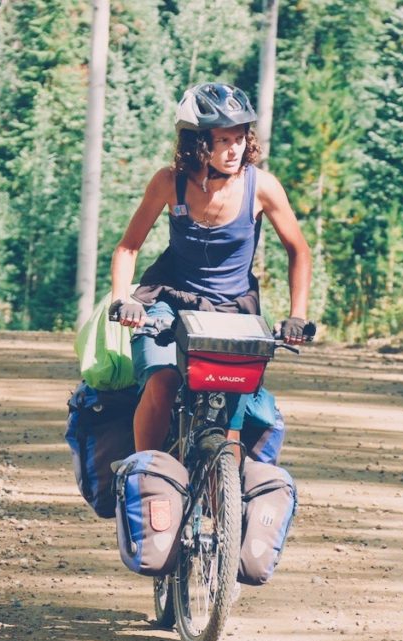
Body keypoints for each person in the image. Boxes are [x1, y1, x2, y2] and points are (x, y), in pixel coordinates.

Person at [107, 82, 312, 454]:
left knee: (232, 416)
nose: (233, 149)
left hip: (233, 309)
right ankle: (145, 474)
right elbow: (128, 247)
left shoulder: (262, 186)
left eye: (238, 137)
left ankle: (225, 499)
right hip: (169, 300)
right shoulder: (169, 183)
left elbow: (298, 250)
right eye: (221, 140)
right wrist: (124, 301)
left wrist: (298, 315)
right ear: (198, 143)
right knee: (163, 381)